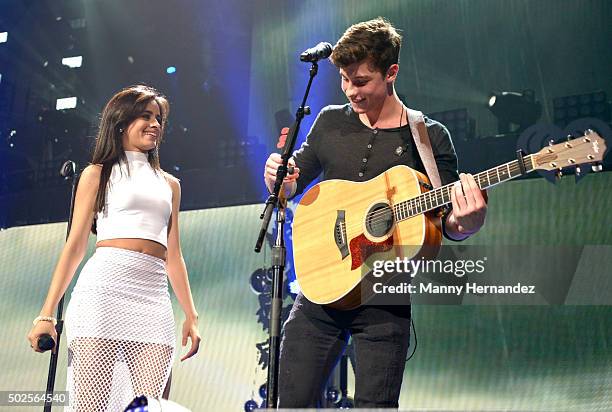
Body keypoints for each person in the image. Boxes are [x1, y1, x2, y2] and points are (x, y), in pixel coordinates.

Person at [264, 18, 487, 408]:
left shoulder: (428, 136)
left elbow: (447, 221)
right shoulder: (330, 120)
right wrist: (280, 182)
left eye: (362, 81)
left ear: (391, 73)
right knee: (290, 403)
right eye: (345, 80)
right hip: (320, 293)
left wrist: (466, 223)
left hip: (384, 297)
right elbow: (294, 180)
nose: (352, 90)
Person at [27, 85, 201, 411]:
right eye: (145, 116)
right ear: (121, 121)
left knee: (152, 405)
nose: (155, 124)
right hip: (102, 294)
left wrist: (191, 315)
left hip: (152, 301)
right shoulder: (97, 174)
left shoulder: (170, 185)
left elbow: (173, 255)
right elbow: (75, 246)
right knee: (90, 406)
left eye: (159, 118)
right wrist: (46, 313)